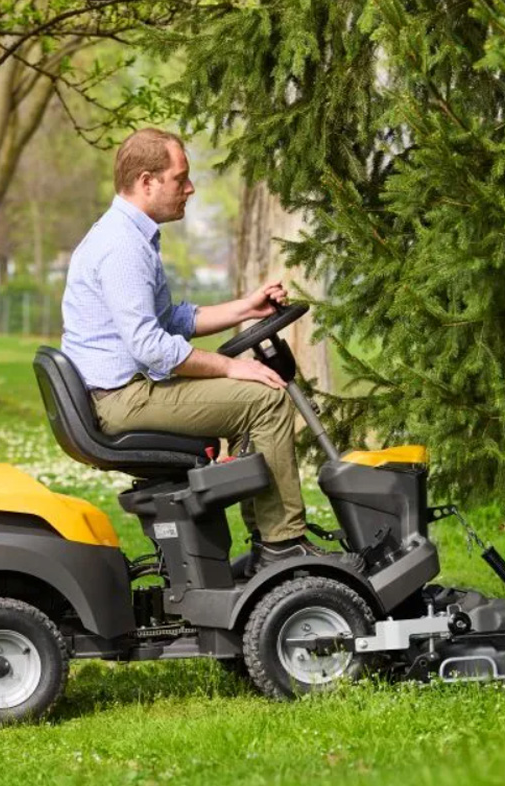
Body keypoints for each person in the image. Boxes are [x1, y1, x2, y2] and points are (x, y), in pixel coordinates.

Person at [61, 127, 341, 572]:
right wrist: (230, 369)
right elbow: (151, 347)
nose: (189, 188)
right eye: (181, 178)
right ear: (147, 181)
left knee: (254, 395)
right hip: (122, 400)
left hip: (121, 392)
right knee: (265, 400)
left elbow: (171, 320)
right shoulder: (121, 247)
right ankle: (283, 545)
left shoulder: (130, 236)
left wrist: (244, 309)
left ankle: (270, 543)